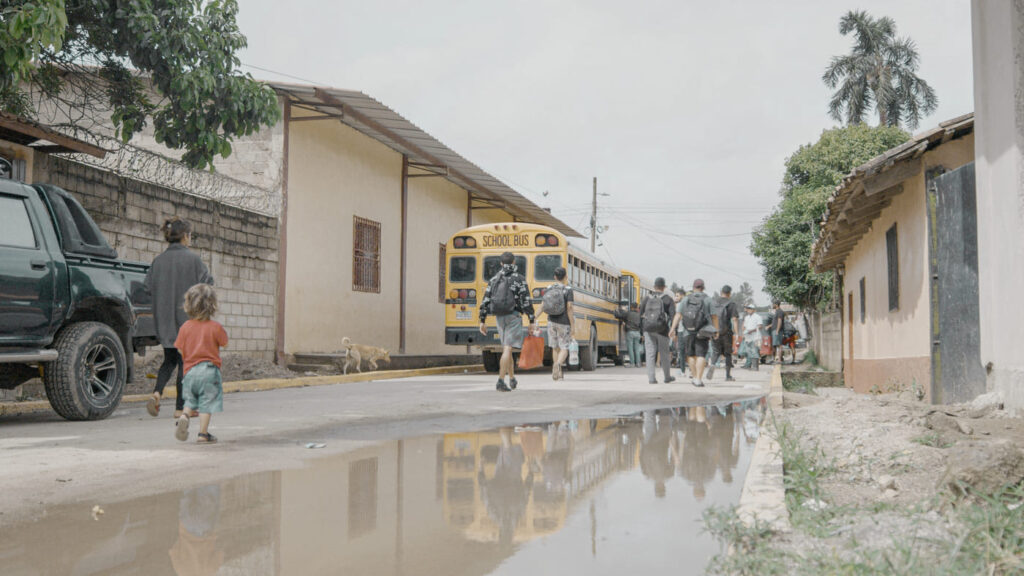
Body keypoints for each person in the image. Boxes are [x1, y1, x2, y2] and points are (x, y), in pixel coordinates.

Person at [146, 217, 214, 419]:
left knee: (169, 361)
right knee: (185, 362)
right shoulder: (194, 260)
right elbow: (208, 284)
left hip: (164, 319)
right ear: (185, 236)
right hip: (187, 320)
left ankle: (157, 393)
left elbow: (147, 287)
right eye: (190, 235)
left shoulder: (158, 261)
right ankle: (180, 407)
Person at [174, 284, 229, 444]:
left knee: (191, 400)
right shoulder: (215, 327)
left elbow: (180, 351)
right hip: (209, 370)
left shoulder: (185, 327)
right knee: (206, 403)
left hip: (190, 372)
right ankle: (203, 434)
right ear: (212, 305)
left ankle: (184, 416)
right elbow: (224, 343)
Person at [479, 252, 536, 392]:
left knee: (506, 347)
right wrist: (531, 319)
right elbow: (526, 301)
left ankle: (512, 378)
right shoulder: (519, 279)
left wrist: (482, 320)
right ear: (514, 262)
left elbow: (486, 300)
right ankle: (500, 381)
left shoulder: (494, 279)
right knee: (508, 348)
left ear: (501, 263)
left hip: (499, 317)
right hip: (514, 316)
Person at [671, 278, 713, 387]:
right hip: (703, 331)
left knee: (690, 355)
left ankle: (694, 377)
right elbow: (714, 317)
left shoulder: (686, 299)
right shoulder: (708, 299)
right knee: (701, 355)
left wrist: (672, 329)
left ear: (693, 287)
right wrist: (715, 330)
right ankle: (699, 379)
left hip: (687, 331)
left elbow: (678, 315)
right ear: (703, 288)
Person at [640, 277, 676, 385]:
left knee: (650, 353)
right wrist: (674, 330)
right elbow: (673, 316)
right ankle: (667, 377)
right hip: (662, 329)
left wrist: (641, 330)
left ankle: (651, 378)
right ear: (664, 287)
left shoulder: (646, 298)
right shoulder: (668, 299)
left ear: (654, 287)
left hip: (648, 329)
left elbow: (640, 314)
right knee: (664, 354)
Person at [543, 266, 574, 380]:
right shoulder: (568, 290)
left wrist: (534, 317)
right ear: (566, 276)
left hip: (551, 321)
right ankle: (558, 365)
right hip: (564, 322)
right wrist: (573, 325)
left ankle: (556, 372)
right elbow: (569, 307)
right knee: (564, 347)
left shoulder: (549, 288)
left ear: (554, 277)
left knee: (555, 347)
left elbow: (544, 305)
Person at [706, 285, 740, 382]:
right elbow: (734, 319)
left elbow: (709, 316)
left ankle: (712, 364)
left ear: (721, 292)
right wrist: (737, 333)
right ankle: (728, 376)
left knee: (716, 351)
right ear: (729, 293)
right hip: (726, 332)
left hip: (714, 331)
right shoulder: (731, 304)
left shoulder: (713, 302)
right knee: (728, 353)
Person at [613, 302, 643, 367]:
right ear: (636, 307)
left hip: (630, 333)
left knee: (630, 349)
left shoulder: (628, 313)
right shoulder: (639, 315)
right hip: (637, 333)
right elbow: (641, 325)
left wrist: (615, 310)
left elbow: (618, 316)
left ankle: (632, 363)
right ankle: (638, 363)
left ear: (631, 307)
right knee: (637, 349)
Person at [741, 303, 762, 370]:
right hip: (748, 337)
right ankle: (753, 366)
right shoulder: (747, 317)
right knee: (749, 351)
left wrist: (752, 330)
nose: (748, 310)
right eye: (748, 309)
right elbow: (745, 326)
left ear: (753, 309)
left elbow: (760, 326)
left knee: (755, 351)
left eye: (750, 309)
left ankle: (755, 367)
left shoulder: (757, 317)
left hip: (755, 337)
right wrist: (744, 333)